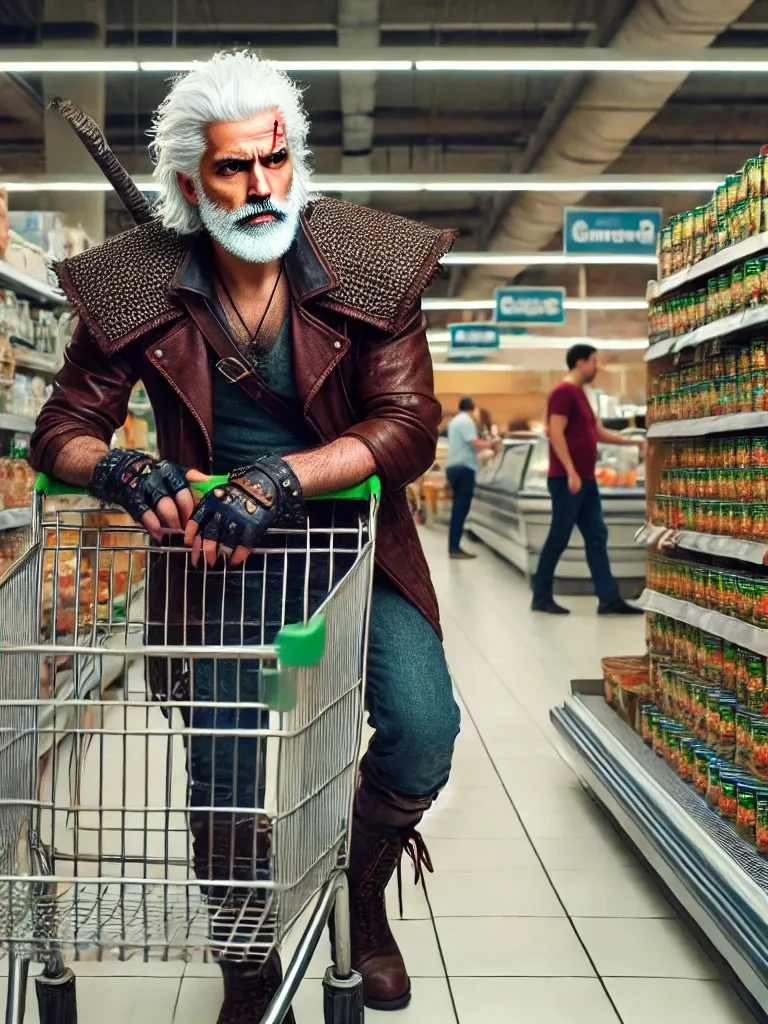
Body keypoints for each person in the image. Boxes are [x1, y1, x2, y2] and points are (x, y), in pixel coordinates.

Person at [30, 52, 461, 1024]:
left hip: (355, 549)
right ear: (189, 181)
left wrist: (284, 474)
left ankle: (358, 888)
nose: (260, 187)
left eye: (274, 161)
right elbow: (60, 429)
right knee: (221, 767)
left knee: (423, 729)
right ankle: (247, 966)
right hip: (215, 560)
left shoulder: (368, 262)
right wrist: (119, 467)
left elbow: (406, 426)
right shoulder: (135, 283)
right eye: (232, 169)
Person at [530, 343, 644, 616]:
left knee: (596, 535)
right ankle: (541, 596)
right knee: (558, 536)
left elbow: (597, 432)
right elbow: (555, 432)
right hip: (568, 479)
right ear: (581, 362)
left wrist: (631, 442)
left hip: (585, 479)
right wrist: (569, 470)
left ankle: (608, 598)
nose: (597, 367)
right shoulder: (562, 393)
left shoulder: (581, 394)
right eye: (594, 361)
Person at [445, 396, 499, 559]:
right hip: (464, 468)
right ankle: (454, 547)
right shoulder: (466, 421)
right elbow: (474, 443)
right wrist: (492, 444)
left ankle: (454, 545)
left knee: (458, 508)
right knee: (461, 509)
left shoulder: (454, 421)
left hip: (454, 466)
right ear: (472, 408)